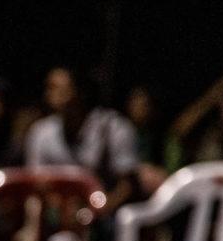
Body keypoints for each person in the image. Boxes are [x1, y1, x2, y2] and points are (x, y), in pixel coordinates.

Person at [25, 67, 139, 212]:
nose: (52, 93)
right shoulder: (41, 131)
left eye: (58, 87)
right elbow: (36, 182)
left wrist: (97, 210)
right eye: (49, 87)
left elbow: (127, 184)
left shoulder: (114, 127)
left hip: (102, 213)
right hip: (56, 213)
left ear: (80, 91)